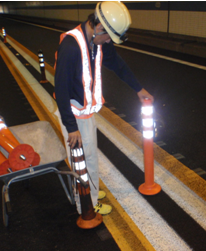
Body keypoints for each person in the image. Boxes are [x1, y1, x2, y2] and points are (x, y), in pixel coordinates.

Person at [54, 1, 154, 215]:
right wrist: (71, 127)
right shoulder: (71, 47)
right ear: (99, 27)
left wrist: (138, 89)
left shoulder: (98, 40)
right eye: (108, 36)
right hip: (73, 114)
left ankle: (90, 190)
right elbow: (61, 89)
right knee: (80, 161)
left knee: (90, 156)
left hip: (86, 112)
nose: (109, 42)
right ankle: (86, 204)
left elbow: (117, 64)